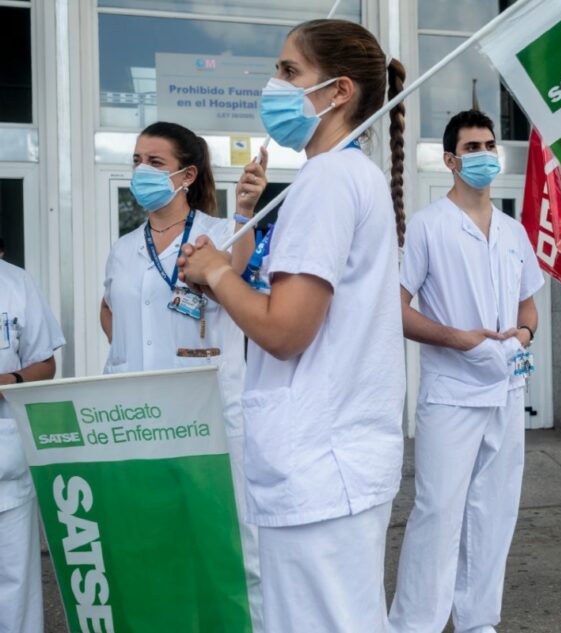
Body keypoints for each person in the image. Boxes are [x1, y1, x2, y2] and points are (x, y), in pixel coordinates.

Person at [178, 19, 407, 633]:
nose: (272, 85)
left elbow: (285, 330)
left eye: (288, 72)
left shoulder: (327, 181)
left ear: (338, 93)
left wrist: (215, 273)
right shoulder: (350, 176)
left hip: (320, 462)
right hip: (337, 459)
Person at [99, 121, 265, 630]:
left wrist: (245, 212)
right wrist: (137, 354)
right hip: (141, 417)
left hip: (207, 415)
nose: (140, 171)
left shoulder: (219, 232)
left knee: (230, 543)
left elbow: (238, 271)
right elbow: (109, 312)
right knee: (154, 539)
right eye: (135, 161)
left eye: (155, 162)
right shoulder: (125, 247)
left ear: (187, 174)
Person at [389, 110, 544, 633]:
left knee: (494, 511)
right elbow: (396, 309)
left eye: (489, 145)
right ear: (452, 160)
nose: (484, 156)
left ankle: (479, 620)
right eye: (472, 148)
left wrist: (520, 339)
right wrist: (459, 339)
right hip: (452, 392)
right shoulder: (430, 226)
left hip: (507, 387)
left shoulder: (512, 230)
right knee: (438, 513)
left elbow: (529, 310)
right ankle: (415, 625)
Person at [0, 258, 65, 633]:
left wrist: (10, 378)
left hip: (7, 464)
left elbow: (45, 363)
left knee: (16, 593)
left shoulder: (16, 282)